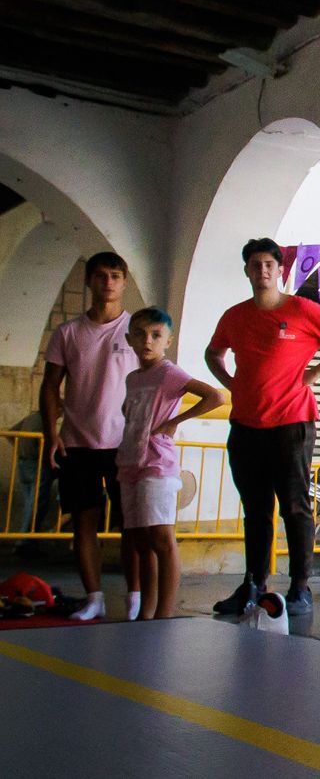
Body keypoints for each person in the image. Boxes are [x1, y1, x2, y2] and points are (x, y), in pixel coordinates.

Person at [205, 239, 320, 617]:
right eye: (255, 264)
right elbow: (213, 353)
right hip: (245, 424)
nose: (262, 270)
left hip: (291, 423)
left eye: (269, 264)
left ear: (279, 270)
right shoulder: (235, 316)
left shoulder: (301, 309)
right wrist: (231, 384)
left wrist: (315, 373)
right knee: (255, 509)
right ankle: (253, 583)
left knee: (294, 505)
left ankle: (300, 587)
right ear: (247, 270)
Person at [43, 253, 142, 622]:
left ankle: (134, 596)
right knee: (84, 521)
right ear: (89, 281)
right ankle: (94, 598)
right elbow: (50, 385)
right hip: (78, 442)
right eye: (100, 276)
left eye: (116, 276)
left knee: (131, 523)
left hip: (126, 443)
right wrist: (50, 431)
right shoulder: (68, 332)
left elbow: (159, 379)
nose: (108, 283)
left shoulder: (137, 330)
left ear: (125, 282)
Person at [115, 309, 226, 620]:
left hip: (156, 464)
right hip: (130, 463)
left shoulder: (168, 373)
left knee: (161, 537)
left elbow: (214, 396)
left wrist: (174, 422)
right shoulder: (133, 378)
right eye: (139, 334)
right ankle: (146, 611)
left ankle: (164, 612)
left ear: (167, 341)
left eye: (155, 335)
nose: (147, 341)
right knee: (140, 538)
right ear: (130, 340)